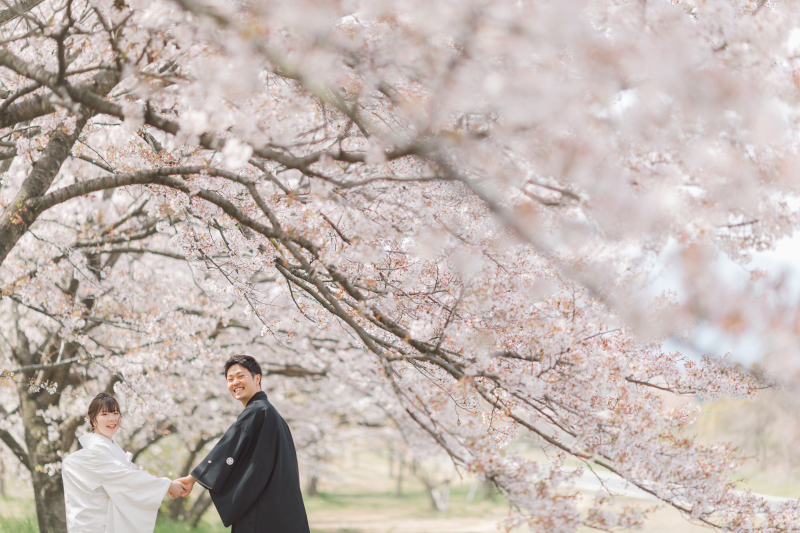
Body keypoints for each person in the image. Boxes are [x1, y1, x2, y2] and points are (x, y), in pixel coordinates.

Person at [176, 354, 310, 533]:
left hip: (261, 516)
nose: (235, 383)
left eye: (240, 376)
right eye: (230, 379)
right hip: (280, 512)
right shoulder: (270, 413)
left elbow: (229, 447)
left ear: (257, 378)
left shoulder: (258, 411)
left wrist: (194, 477)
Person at [61, 393, 187, 533]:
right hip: (98, 526)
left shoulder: (108, 449)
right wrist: (167, 485)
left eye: (115, 413)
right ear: (94, 421)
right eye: (104, 414)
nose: (112, 418)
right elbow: (127, 479)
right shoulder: (95, 453)